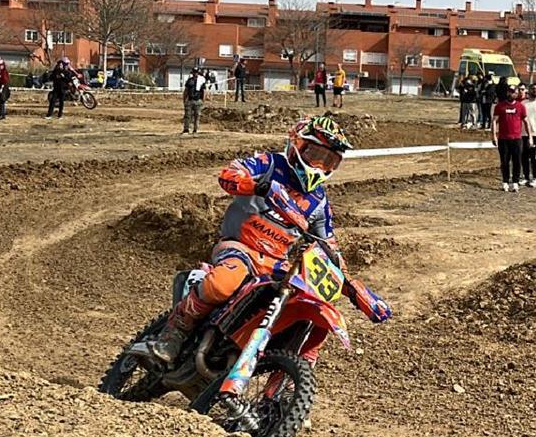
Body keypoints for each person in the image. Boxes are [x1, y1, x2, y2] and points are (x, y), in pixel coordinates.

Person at [127, 115, 391, 365]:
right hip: (240, 246)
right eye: (315, 155)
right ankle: (173, 335)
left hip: (275, 264)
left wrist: (353, 288)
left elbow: (329, 246)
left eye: (329, 161)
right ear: (297, 144)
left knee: (307, 307)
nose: (320, 165)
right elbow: (228, 174)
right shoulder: (270, 164)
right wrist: (257, 185)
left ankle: (283, 390)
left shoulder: (319, 202)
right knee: (224, 282)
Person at [492, 83, 529, 192]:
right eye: (510, 91)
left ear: (517, 94)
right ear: (507, 92)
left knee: (517, 161)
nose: (512, 94)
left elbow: (526, 122)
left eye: (514, 92)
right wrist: (494, 135)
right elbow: (494, 121)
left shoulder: (521, 106)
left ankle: (515, 182)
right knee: (504, 161)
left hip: (517, 139)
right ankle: (505, 181)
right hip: (503, 139)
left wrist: (530, 136)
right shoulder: (500, 106)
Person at [183, 67, 205, 134]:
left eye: (196, 72)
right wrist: (184, 99)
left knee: (197, 115)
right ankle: (186, 129)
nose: (195, 74)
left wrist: (203, 100)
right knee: (187, 115)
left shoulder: (201, 81)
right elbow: (186, 90)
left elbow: (203, 91)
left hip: (198, 100)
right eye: (194, 72)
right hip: (190, 100)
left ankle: (196, 129)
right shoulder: (189, 80)